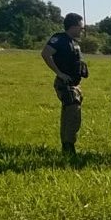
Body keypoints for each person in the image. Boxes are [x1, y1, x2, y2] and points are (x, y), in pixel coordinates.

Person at [40, 13, 88, 155]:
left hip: (75, 84)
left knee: (69, 114)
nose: (82, 30)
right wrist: (59, 73)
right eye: (81, 27)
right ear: (73, 26)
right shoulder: (59, 39)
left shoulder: (74, 42)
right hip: (65, 84)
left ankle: (67, 145)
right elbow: (45, 53)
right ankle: (68, 146)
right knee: (73, 114)